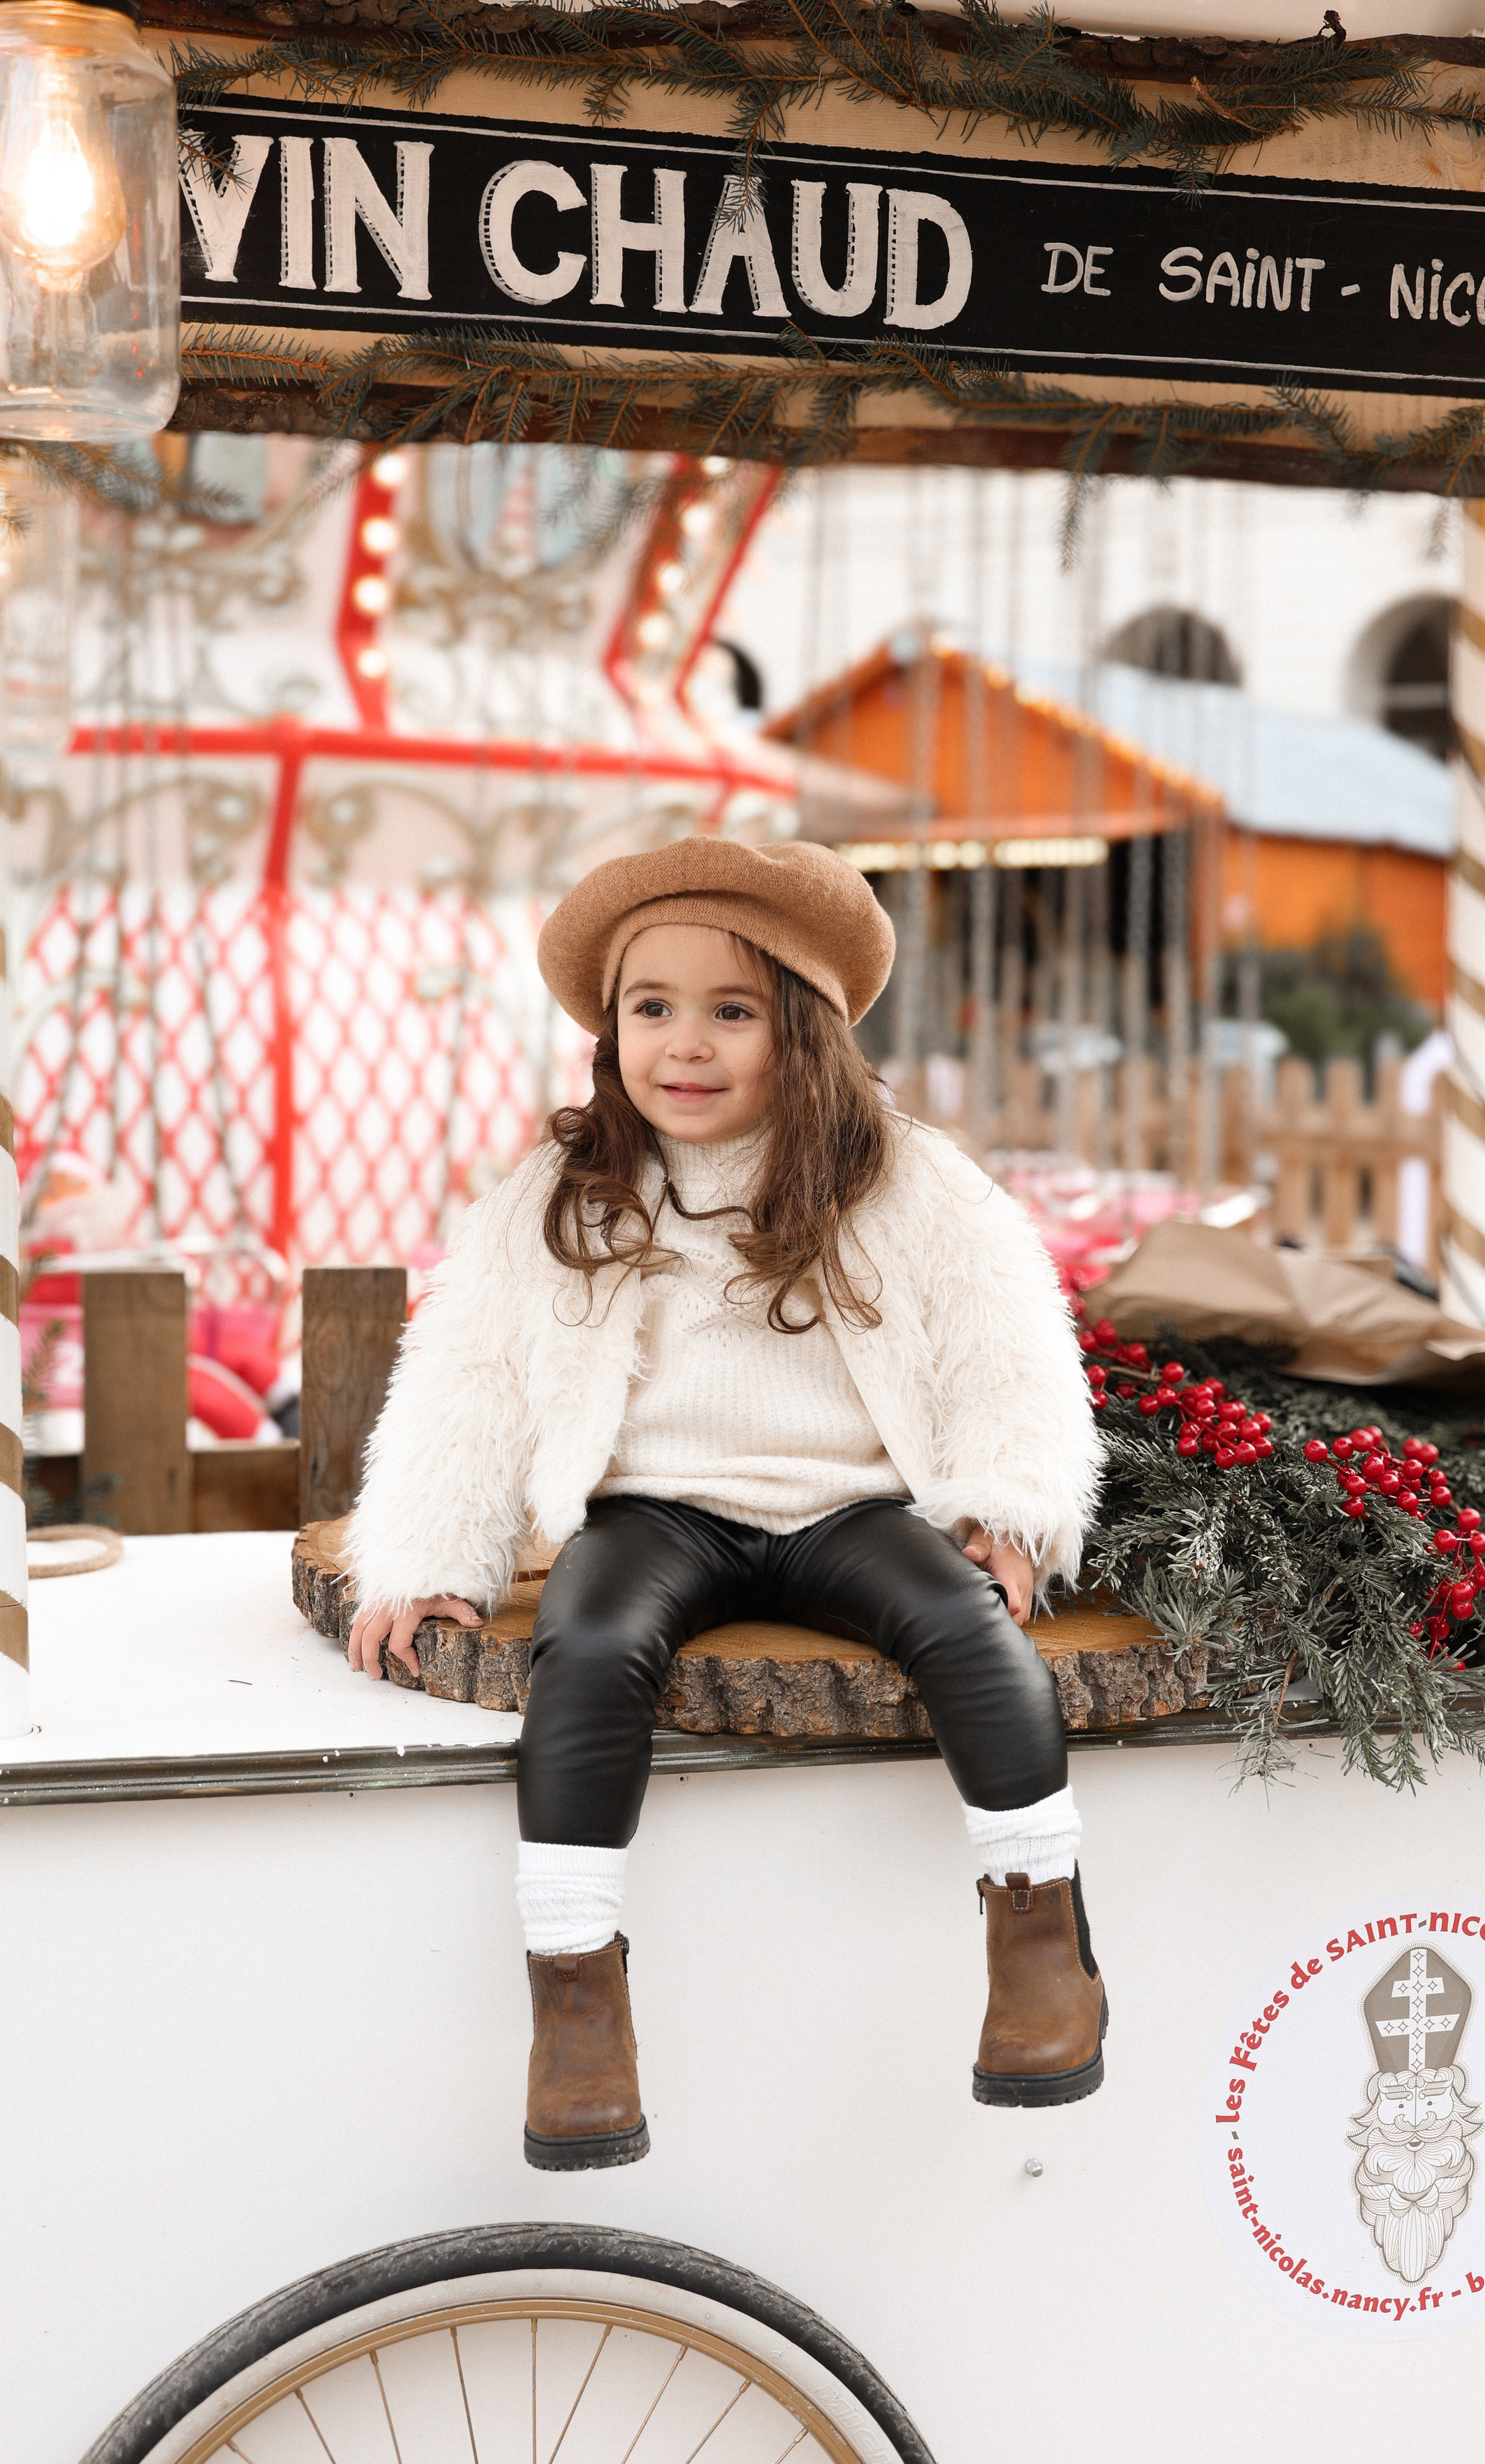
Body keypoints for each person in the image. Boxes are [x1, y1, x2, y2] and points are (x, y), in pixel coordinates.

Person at [345, 839, 1105, 2171]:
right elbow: (468, 1373)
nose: (683, 1046)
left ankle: (1038, 1928)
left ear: (799, 1033)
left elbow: (1004, 1345)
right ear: (609, 1030)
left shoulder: (905, 1179)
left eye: (729, 1011)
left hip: (851, 1508)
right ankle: (576, 1991)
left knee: (964, 1627)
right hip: (657, 1513)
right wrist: (422, 1552)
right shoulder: (564, 1193)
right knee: (584, 1649)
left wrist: (1008, 1507)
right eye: (652, 1009)